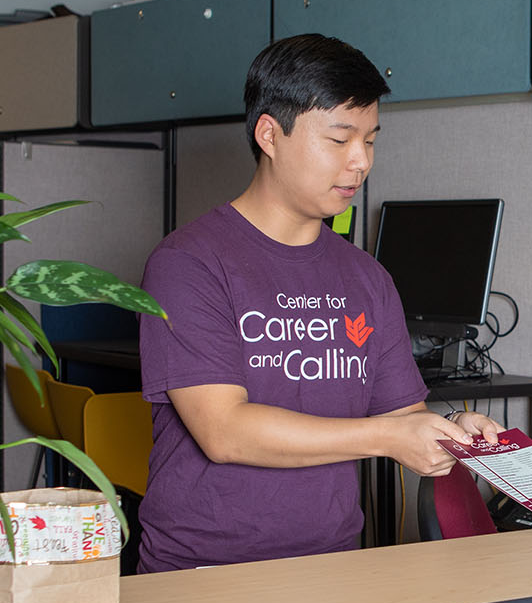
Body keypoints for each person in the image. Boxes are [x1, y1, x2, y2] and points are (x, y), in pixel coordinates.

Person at [137, 34, 503, 573]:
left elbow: (400, 414)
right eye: (339, 139)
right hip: (204, 571)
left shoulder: (367, 277)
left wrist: (451, 433)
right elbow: (224, 431)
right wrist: (387, 436)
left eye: (371, 140)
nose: (360, 162)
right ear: (269, 134)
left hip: (331, 567)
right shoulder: (188, 263)